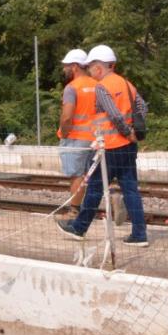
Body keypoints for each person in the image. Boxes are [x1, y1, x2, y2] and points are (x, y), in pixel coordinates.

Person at [56, 45, 149, 247]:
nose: (89, 71)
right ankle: (140, 234)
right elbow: (142, 106)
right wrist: (135, 133)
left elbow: (114, 114)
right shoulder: (126, 84)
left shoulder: (102, 86)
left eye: (91, 67)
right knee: (131, 189)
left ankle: (79, 228)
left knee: (95, 189)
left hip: (111, 147)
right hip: (128, 147)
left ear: (99, 67)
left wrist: (125, 131)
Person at [57, 49, 98, 216]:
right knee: (93, 176)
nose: (64, 69)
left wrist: (64, 133)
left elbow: (67, 117)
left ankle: (74, 211)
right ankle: (94, 208)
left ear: (74, 67)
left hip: (75, 139)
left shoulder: (72, 88)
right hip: (96, 138)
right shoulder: (98, 85)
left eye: (67, 65)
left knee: (77, 176)